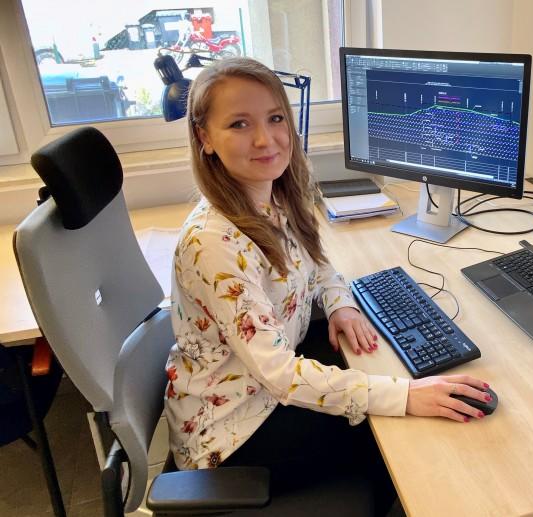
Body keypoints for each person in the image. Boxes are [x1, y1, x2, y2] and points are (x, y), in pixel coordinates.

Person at [164, 56, 492, 510]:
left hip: (261, 383)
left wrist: (341, 305)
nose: (265, 139)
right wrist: (403, 397)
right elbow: (280, 375)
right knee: (399, 439)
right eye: (239, 124)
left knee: (388, 379)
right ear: (205, 138)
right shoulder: (214, 242)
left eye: (275, 118)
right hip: (233, 429)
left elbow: (316, 264)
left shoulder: (272, 192)